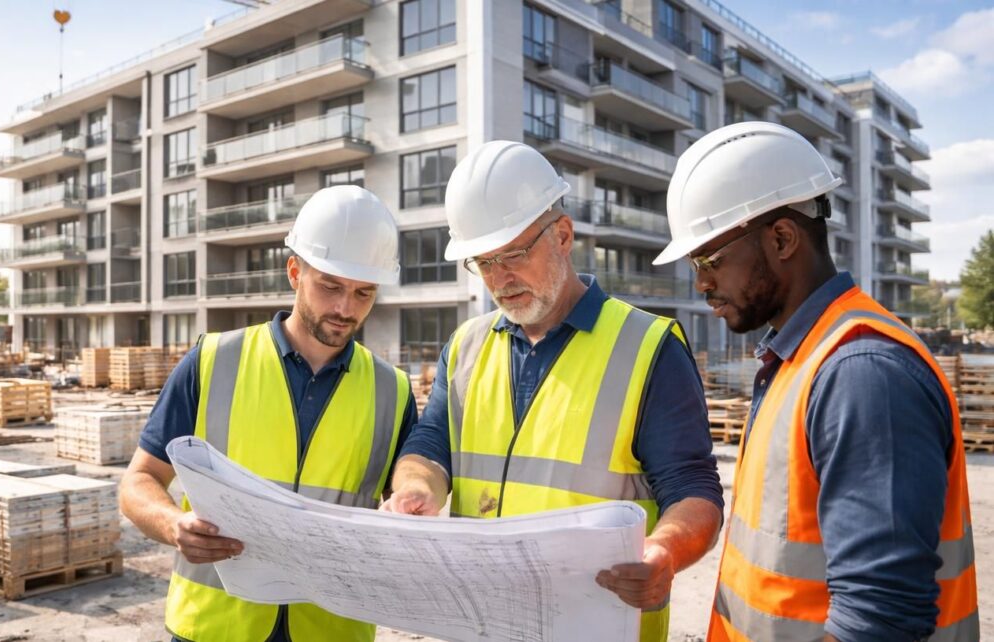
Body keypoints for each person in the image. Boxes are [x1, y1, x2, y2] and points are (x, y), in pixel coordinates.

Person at [382, 140, 723, 642]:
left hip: (597, 626)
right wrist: (416, 487)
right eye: (483, 261)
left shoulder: (647, 348)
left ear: (562, 235)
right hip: (484, 625)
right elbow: (430, 446)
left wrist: (665, 552)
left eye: (514, 254)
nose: (499, 278)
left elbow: (694, 490)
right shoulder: (467, 346)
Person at [651, 121, 979, 641]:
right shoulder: (799, 359)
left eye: (710, 259)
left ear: (782, 238)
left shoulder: (861, 373)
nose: (702, 283)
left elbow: (880, 619)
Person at [118, 186, 418, 642]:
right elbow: (138, 482)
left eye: (364, 292)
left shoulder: (392, 390)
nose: (345, 308)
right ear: (295, 271)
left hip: (331, 629)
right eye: (331, 286)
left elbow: (402, 507)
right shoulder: (213, 360)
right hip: (215, 627)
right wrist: (174, 524)